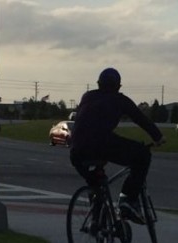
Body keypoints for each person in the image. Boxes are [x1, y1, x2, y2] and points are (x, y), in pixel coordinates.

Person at [69, 67, 166, 223]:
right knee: (142, 156)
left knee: (97, 185)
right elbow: (140, 119)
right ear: (118, 86)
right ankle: (128, 200)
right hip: (101, 145)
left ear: (98, 84)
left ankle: (97, 226)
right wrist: (158, 137)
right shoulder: (120, 100)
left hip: (76, 151)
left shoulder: (87, 96)